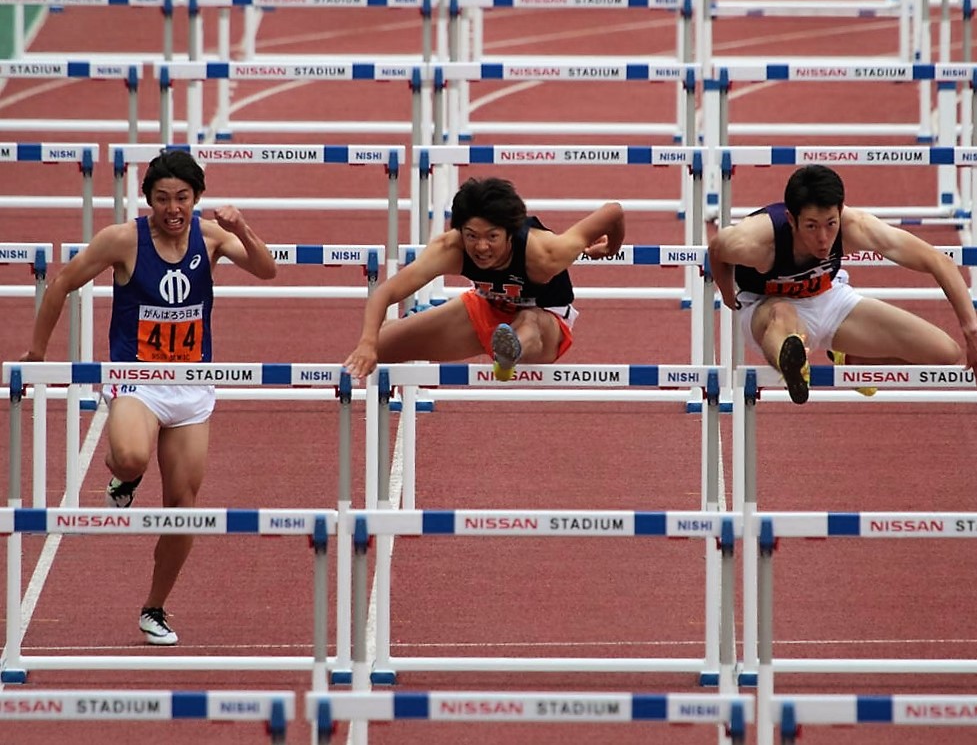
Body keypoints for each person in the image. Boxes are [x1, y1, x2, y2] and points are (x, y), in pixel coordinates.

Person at [20, 150, 277, 645]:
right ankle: (125, 476)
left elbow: (266, 271)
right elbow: (62, 284)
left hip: (191, 386)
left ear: (196, 199)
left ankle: (155, 607)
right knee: (132, 455)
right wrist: (36, 352)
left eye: (182, 198)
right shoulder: (122, 240)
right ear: (148, 201)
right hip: (136, 379)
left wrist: (242, 228)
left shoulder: (211, 236)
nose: (173, 209)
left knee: (182, 505)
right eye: (162, 199)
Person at [708, 164, 977, 404]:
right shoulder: (757, 241)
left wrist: (972, 332)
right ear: (791, 220)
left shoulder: (854, 226)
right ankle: (791, 364)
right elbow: (718, 248)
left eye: (830, 224)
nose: (823, 238)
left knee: (945, 354)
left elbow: (937, 261)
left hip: (830, 299)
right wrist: (726, 292)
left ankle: (851, 358)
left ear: (840, 211)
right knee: (782, 314)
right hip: (766, 309)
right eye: (811, 226)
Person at [344, 176, 625, 381]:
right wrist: (368, 342)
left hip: (546, 323)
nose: (481, 247)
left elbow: (613, 211)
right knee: (376, 349)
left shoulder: (545, 252)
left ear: (509, 233)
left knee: (528, 321)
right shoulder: (450, 248)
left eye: (492, 237)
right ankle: (406, 327)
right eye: (472, 236)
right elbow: (387, 292)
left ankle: (508, 352)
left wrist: (611, 248)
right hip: (485, 308)